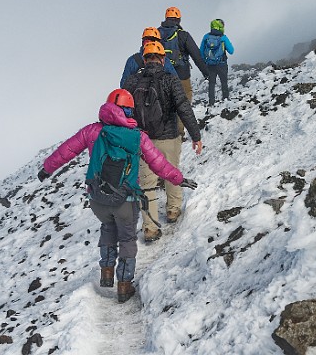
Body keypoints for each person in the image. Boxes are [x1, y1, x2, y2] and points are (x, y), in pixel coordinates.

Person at [38, 89, 198, 303]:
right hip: (125, 200)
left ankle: (106, 272)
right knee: (127, 238)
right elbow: (158, 163)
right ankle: (124, 284)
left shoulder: (92, 131)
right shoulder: (137, 137)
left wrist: (47, 169)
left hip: (97, 198)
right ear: (129, 110)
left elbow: (66, 151)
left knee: (107, 227)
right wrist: (178, 179)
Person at [123, 40, 203, 242]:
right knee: (171, 172)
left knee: (147, 185)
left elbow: (122, 113)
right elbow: (183, 108)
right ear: (163, 58)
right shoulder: (170, 79)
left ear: (144, 58)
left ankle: (150, 228)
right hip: (168, 137)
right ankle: (173, 210)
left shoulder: (131, 82)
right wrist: (196, 135)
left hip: (142, 142)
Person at [158, 7, 207, 136]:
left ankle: (163, 129)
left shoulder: (156, 35)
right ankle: (178, 131)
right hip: (182, 75)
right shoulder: (183, 35)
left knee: (164, 102)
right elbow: (197, 55)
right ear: (178, 19)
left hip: (162, 75)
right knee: (182, 102)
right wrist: (206, 73)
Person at [199, 18, 234, 106]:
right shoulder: (223, 38)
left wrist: (205, 61)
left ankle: (211, 102)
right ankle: (225, 99)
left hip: (210, 64)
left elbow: (201, 52)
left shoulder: (206, 37)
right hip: (222, 63)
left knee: (211, 84)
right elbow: (231, 51)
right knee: (224, 82)